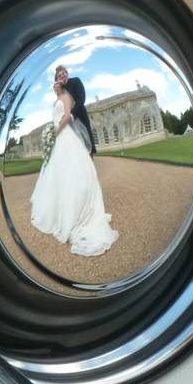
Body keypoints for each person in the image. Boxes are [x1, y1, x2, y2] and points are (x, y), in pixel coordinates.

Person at [30, 81, 117, 256]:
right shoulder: (55, 102)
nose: (56, 87)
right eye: (53, 85)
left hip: (65, 135)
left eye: (57, 85)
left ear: (61, 86)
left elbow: (68, 116)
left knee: (74, 172)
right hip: (57, 138)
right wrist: (51, 131)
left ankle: (78, 212)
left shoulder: (66, 97)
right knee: (56, 174)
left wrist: (55, 132)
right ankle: (57, 208)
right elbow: (55, 118)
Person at [55, 65, 96, 155]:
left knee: (86, 140)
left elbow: (81, 99)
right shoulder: (60, 90)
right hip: (68, 122)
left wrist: (71, 115)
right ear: (57, 78)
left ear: (67, 73)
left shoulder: (76, 81)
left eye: (63, 73)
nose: (62, 76)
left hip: (80, 115)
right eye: (59, 75)